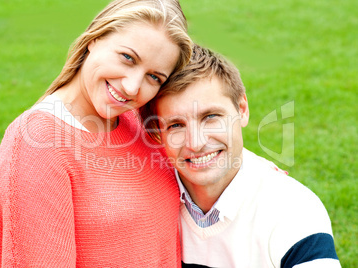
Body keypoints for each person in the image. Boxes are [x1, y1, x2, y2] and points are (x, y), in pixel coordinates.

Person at [0, 0, 192, 267]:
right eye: (127, 58)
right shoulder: (37, 144)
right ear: (95, 38)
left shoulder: (140, 123)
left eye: (154, 77)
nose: (133, 88)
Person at [140, 44, 341, 267]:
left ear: (242, 109)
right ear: (158, 133)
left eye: (210, 117)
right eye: (176, 125)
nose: (196, 143)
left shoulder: (293, 211)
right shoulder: (147, 201)